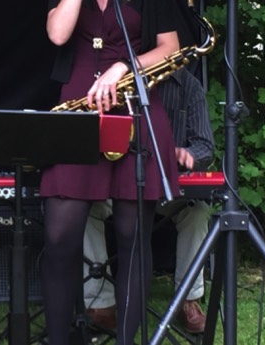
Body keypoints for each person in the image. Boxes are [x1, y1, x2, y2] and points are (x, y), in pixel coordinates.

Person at [41, 0, 181, 345]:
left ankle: (126, 339)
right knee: (61, 236)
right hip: (77, 105)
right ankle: (63, 337)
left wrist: (124, 66)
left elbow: (169, 50)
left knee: (132, 237)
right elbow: (58, 34)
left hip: (134, 105)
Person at [83, 67, 214, 334]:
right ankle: (100, 302)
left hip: (167, 190)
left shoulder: (188, 84)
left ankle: (188, 299)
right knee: (82, 209)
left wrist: (186, 154)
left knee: (198, 210)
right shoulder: (112, 80)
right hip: (117, 187)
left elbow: (205, 145)